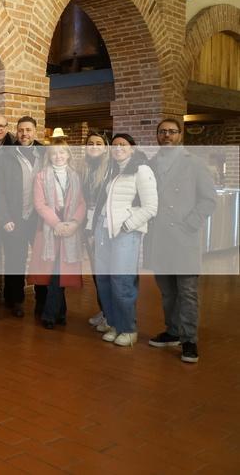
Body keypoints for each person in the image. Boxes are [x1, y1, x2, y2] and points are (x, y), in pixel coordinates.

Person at [146, 119, 216, 363]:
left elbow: (209, 199)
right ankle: (173, 331)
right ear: (157, 136)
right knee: (167, 292)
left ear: (180, 135)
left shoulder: (194, 163)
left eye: (172, 132)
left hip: (184, 238)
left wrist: (191, 224)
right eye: (162, 132)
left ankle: (189, 341)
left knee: (187, 292)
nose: (167, 135)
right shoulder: (151, 164)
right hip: (159, 238)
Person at [94, 133, 158, 347]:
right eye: (114, 145)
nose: (118, 148)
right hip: (104, 230)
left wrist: (127, 225)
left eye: (123, 145)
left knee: (121, 281)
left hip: (125, 233)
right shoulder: (113, 170)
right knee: (104, 279)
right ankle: (114, 324)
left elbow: (151, 207)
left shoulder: (142, 170)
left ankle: (128, 329)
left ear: (132, 148)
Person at [28, 138, 86, 329]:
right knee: (53, 271)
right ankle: (53, 314)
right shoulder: (41, 176)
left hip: (70, 229)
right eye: (54, 153)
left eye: (62, 152)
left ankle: (56, 313)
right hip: (49, 227)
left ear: (68, 154)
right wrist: (57, 223)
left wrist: (74, 223)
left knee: (59, 271)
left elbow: (82, 203)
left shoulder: (76, 176)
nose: (58, 156)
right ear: (49, 156)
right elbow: (39, 204)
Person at [0, 115, 45, 317]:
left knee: (41, 261)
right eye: (21, 130)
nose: (24, 134)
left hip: (39, 218)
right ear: (16, 131)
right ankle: (15, 301)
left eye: (28, 130)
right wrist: (5, 218)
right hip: (15, 218)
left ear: (35, 131)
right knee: (15, 260)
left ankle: (42, 301)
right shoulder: (6, 155)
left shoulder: (45, 153)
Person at [79, 131, 112, 331]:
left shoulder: (111, 168)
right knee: (97, 271)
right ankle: (104, 309)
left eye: (98, 143)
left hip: (105, 226)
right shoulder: (83, 168)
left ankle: (112, 314)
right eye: (90, 143)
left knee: (107, 272)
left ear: (105, 147)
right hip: (88, 226)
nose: (94, 146)